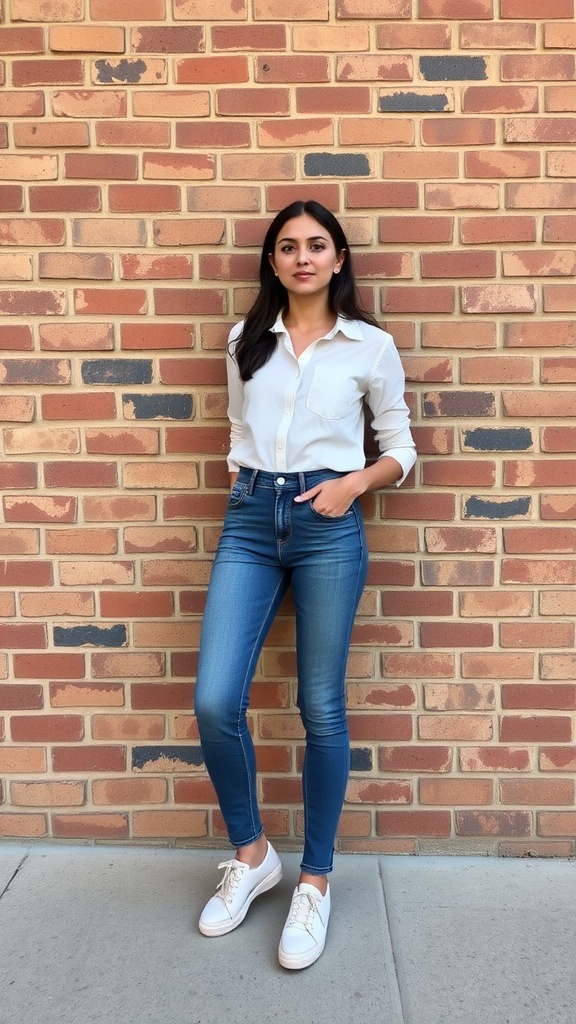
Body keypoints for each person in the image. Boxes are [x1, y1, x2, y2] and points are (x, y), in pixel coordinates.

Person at [194, 199, 416, 970]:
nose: (301, 258)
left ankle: (314, 881)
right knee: (216, 700)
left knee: (319, 706)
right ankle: (254, 857)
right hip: (252, 521)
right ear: (273, 261)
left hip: (328, 524)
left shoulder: (370, 346)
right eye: (287, 247)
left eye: (316, 245)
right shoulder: (245, 340)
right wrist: (241, 480)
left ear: (339, 259)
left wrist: (350, 486)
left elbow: (401, 449)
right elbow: (236, 427)